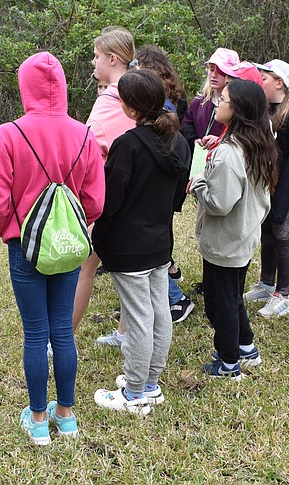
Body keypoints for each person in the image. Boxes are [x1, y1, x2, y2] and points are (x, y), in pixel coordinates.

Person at [0, 52, 105, 444]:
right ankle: (65, 418)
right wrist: (70, 221)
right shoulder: (84, 134)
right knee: (63, 333)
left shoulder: (8, 135)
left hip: (24, 246)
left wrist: (8, 230)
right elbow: (95, 201)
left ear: (25, 87)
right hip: (67, 246)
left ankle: (37, 422)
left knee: (35, 334)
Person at [92, 69, 190, 415]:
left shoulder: (128, 145)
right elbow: (179, 193)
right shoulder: (178, 141)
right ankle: (150, 384)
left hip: (128, 248)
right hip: (160, 242)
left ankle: (134, 393)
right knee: (158, 312)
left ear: (131, 109)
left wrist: (98, 239)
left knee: (137, 318)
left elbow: (110, 201)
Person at [190, 78, 278, 379]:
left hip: (225, 241)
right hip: (243, 236)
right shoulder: (257, 142)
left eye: (223, 99)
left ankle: (228, 365)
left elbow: (219, 203)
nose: (216, 102)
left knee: (219, 306)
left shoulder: (231, 153)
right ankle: (245, 347)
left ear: (237, 109)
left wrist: (198, 182)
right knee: (232, 296)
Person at [72, 27, 138, 346]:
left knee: (85, 269)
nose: (93, 62)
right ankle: (126, 334)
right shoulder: (139, 91)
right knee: (127, 271)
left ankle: (60, 338)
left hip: (109, 197)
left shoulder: (110, 99)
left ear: (113, 59)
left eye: (97, 56)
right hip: (138, 194)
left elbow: (88, 149)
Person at [244, 60, 289, 318]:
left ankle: (282, 296)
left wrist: (281, 202)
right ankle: (266, 284)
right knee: (267, 236)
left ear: (279, 83)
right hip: (268, 186)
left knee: (283, 238)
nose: (259, 81)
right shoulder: (266, 112)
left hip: (287, 189)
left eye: (264, 78)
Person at [136, 45, 194, 322]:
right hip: (174, 169)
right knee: (162, 226)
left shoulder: (163, 103)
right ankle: (170, 268)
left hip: (166, 170)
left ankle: (175, 298)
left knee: (156, 231)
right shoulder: (176, 96)